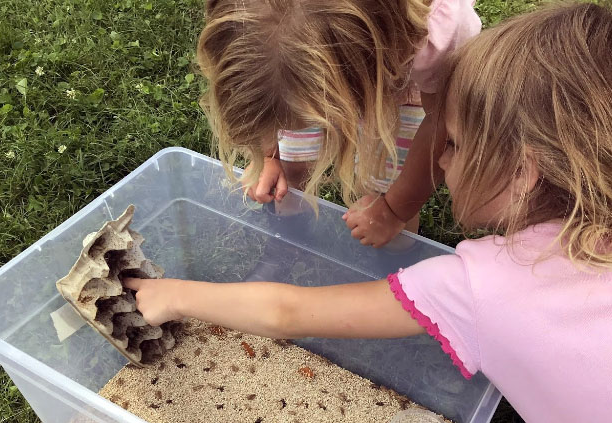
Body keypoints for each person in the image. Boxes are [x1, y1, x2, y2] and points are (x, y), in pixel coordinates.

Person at [128, 3, 612, 423]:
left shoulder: (478, 287)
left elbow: (287, 311)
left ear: (524, 172)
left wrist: (171, 294)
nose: (436, 158)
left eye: (449, 142)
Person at [196, 0, 481, 249]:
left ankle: (392, 272)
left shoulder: (441, 33)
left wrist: (395, 209)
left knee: (381, 184)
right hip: (305, 71)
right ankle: (286, 245)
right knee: (291, 163)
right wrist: (272, 156)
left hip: (406, 91)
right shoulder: (257, 30)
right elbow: (263, 94)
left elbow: (440, 123)